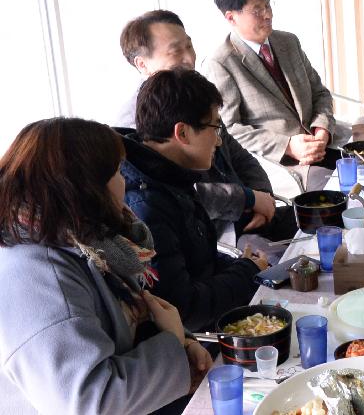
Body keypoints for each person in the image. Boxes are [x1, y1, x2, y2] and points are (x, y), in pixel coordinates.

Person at [0, 118, 213, 413]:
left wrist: (184, 344)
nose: (124, 181)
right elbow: (88, 402)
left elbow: (122, 324)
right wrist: (171, 342)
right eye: (116, 172)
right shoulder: (37, 278)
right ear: (85, 188)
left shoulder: (82, 241)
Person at [116, 10, 297, 247]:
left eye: (189, 46)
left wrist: (262, 198)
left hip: (248, 215)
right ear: (142, 64)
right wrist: (249, 199)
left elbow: (239, 156)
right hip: (217, 235)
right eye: (175, 51)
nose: (189, 59)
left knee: (328, 220)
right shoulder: (138, 122)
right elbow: (180, 194)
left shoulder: (195, 94)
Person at [122, 68, 270, 331]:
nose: (218, 140)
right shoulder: (147, 204)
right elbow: (185, 308)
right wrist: (247, 272)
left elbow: (198, 263)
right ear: (182, 133)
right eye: (215, 127)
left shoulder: (171, 175)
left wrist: (244, 265)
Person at [204, 0, 339, 193]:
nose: (267, 15)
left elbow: (320, 93)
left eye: (267, 5)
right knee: (338, 194)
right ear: (231, 17)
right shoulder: (222, 63)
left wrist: (322, 128)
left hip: (323, 146)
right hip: (283, 164)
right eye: (257, 10)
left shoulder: (288, 42)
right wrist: (287, 146)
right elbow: (228, 130)